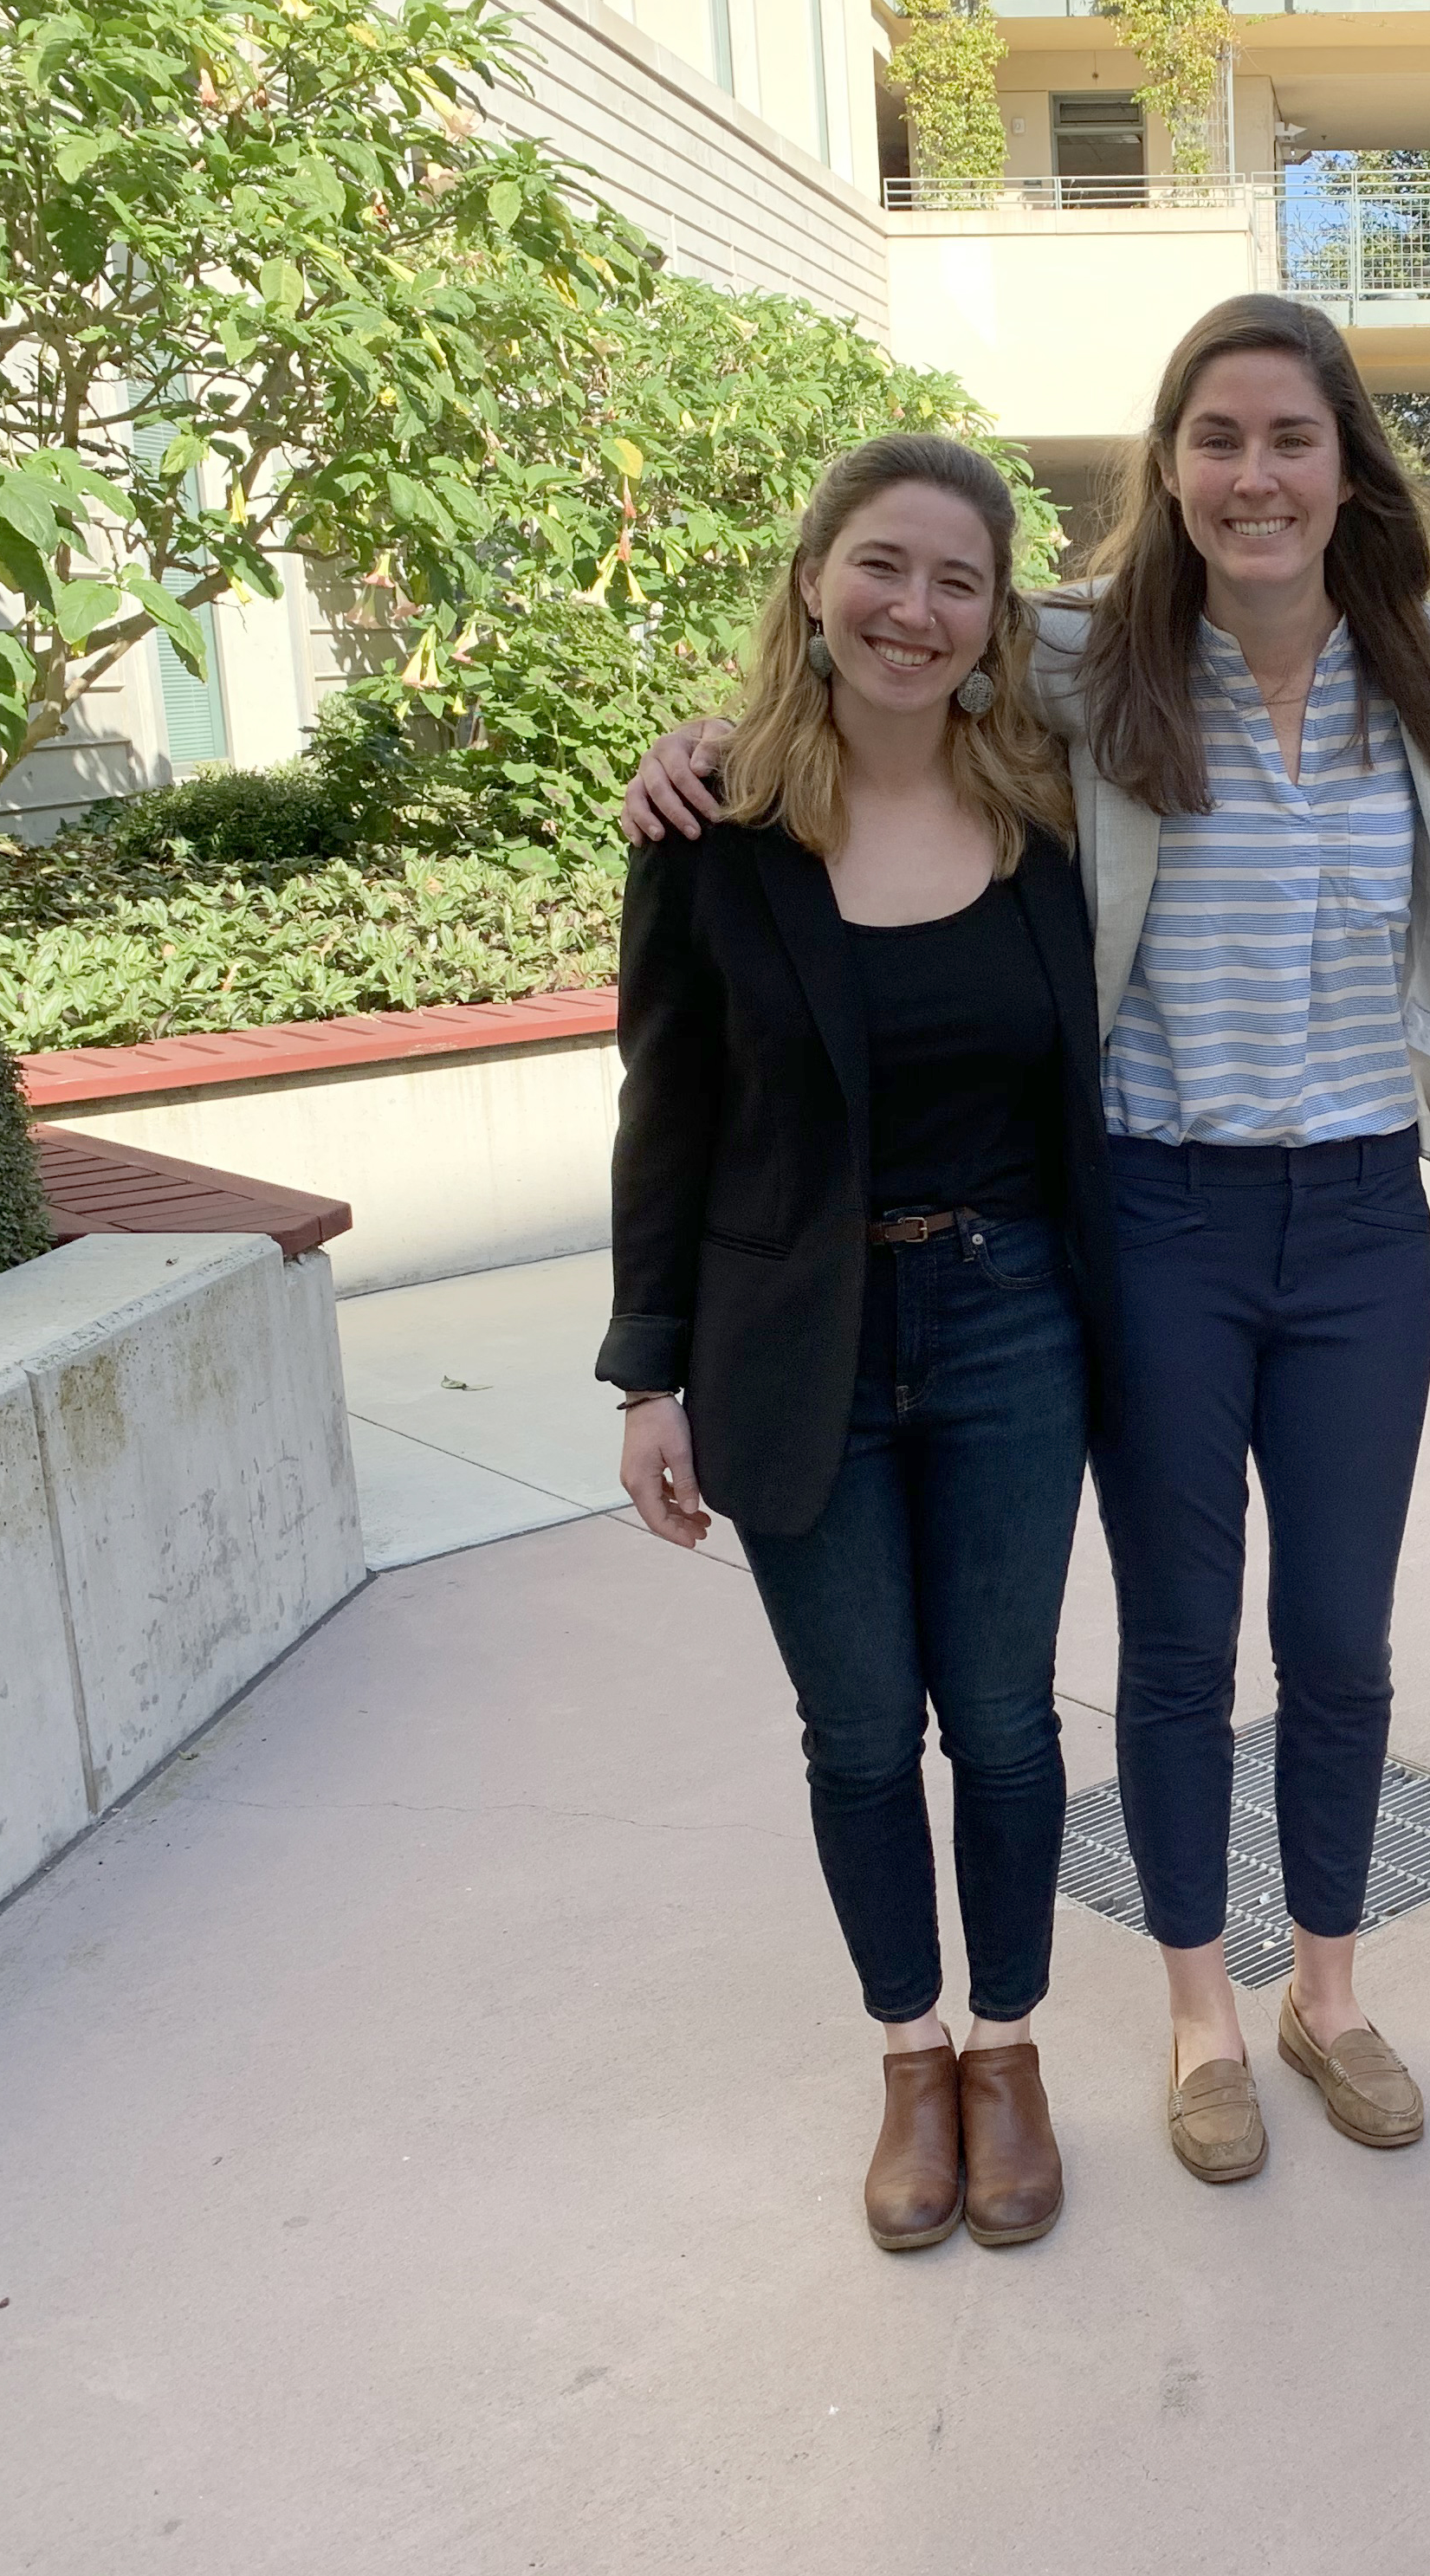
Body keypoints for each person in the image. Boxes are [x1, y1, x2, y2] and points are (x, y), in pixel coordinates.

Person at [624, 298, 1430, 2184]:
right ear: (1171, 467)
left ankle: (1329, 1993)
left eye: (1292, 437)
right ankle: (1201, 2013)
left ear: (1350, 461)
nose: (1255, 475)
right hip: (1164, 1214)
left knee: (1342, 1643)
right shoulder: (1081, 669)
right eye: (1216, 438)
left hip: (1364, 1216)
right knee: (1179, 1648)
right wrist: (696, 746)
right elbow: (887, 643)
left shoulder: (1427, 682)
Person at [598, 433, 1118, 2251]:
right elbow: (663, 1115)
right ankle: (911, 2056)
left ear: (999, 621)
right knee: (852, 1733)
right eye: (882, 568)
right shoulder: (714, 823)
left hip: (1007, 1324)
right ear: (814, 579)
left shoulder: (1051, 811)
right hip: (786, 1338)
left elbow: (1216, 608)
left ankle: (1011, 2049)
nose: (915, 610)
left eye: (957, 581)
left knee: (1002, 1719)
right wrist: (646, 1376)